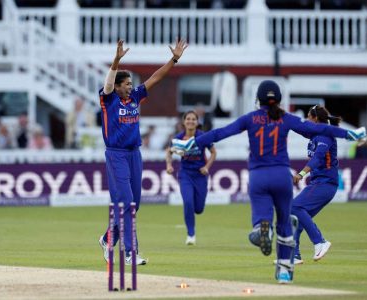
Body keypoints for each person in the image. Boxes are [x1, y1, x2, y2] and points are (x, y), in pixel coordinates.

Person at [173, 80, 366, 284]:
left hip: (258, 176)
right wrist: (350, 134)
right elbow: (322, 130)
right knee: (285, 222)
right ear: (279, 100)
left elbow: (219, 133)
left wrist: (190, 143)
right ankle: (284, 271)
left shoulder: (250, 118)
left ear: (259, 99)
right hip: (282, 175)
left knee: (263, 215)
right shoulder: (286, 118)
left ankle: (262, 227)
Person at [98, 38, 188, 265]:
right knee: (127, 204)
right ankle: (130, 253)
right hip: (116, 154)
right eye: (126, 83)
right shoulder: (108, 100)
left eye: (130, 83)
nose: (130, 86)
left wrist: (174, 59)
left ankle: (109, 238)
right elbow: (108, 84)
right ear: (118, 87)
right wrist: (116, 62)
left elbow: (156, 77)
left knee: (134, 205)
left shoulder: (135, 97)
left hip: (134, 155)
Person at [290, 105, 343, 264]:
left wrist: (301, 173)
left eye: (308, 116)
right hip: (319, 183)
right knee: (296, 218)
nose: (306, 119)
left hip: (325, 184)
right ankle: (294, 255)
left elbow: (318, 158)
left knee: (295, 207)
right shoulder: (315, 133)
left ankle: (320, 242)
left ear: (315, 118)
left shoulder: (325, 136)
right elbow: (299, 128)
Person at [166, 110, 216, 245]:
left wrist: (207, 167)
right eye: (188, 119)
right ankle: (191, 235)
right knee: (188, 202)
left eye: (193, 119)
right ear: (184, 122)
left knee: (198, 209)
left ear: (197, 122)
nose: (190, 121)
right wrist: (169, 165)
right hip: (185, 174)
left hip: (200, 175)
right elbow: (169, 151)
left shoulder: (203, 136)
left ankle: (193, 215)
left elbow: (213, 152)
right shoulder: (178, 138)